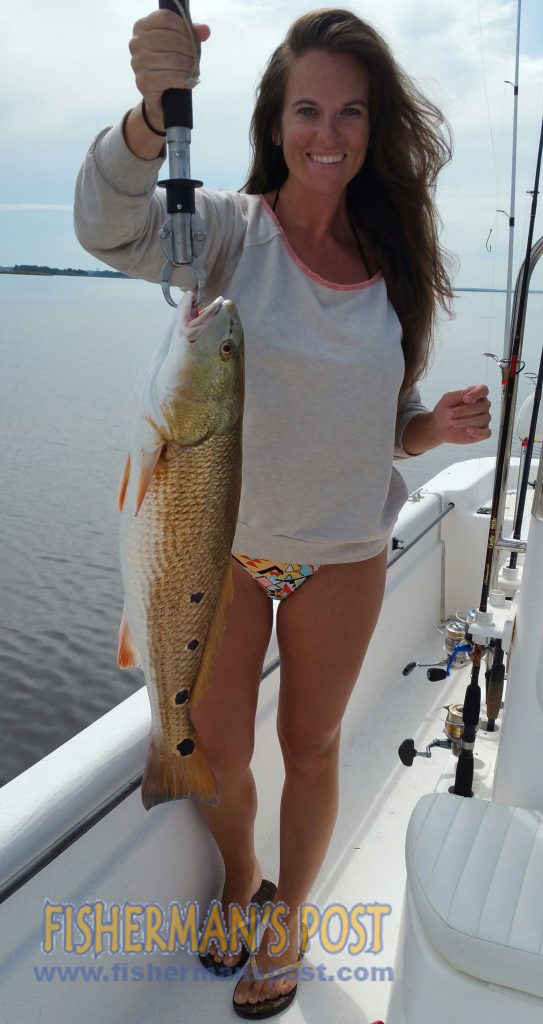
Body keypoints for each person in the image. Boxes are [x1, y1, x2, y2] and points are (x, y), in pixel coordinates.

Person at [74, 7, 491, 1018]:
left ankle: (288, 913)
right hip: (221, 551)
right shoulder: (224, 236)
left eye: (351, 112)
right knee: (208, 746)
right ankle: (238, 873)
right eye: (308, 108)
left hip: (341, 556)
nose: (328, 133)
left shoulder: (399, 266)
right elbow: (106, 224)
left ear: (374, 125)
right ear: (274, 121)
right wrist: (146, 117)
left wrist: (424, 429)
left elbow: (374, 421)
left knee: (311, 746)